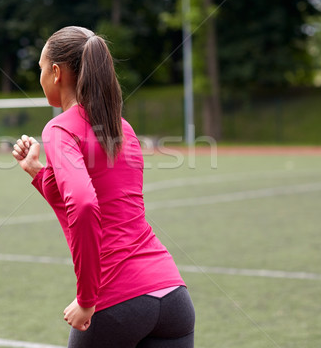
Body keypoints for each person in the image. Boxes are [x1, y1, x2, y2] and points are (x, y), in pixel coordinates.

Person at [12, 26, 195, 348]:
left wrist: (86, 298)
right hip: (172, 296)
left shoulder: (60, 127)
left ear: (56, 72)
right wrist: (39, 173)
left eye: (40, 68)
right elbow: (107, 198)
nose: (39, 77)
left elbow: (83, 205)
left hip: (118, 299)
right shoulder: (122, 127)